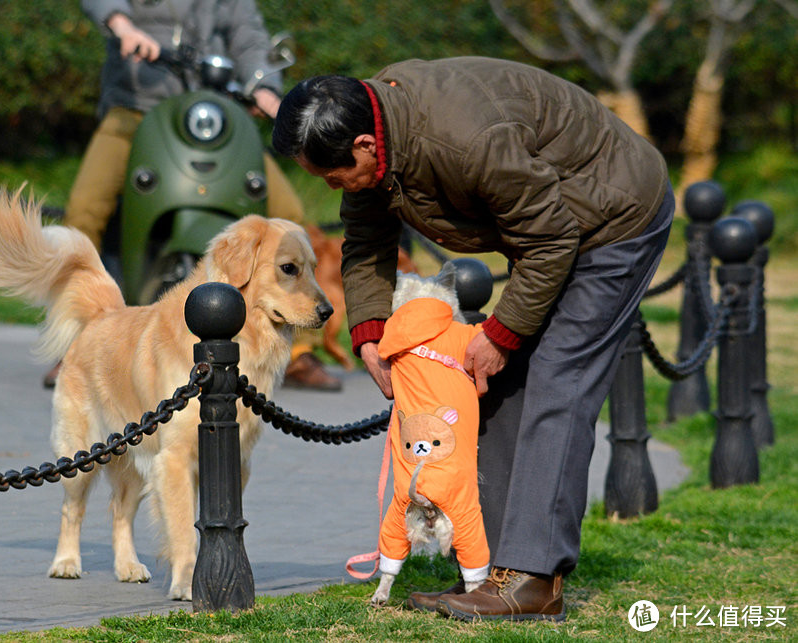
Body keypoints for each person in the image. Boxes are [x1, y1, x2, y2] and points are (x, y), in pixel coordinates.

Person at [273, 57, 673, 621]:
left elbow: (552, 237)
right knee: (498, 382)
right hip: (552, 229)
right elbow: (365, 238)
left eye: (332, 175)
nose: (332, 187)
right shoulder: (376, 125)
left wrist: (502, 332)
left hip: (616, 216)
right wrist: (369, 334)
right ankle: (490, 568)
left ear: (365, 144)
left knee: (558, 382)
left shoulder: (465, 137)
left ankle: (535, 580)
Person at [45, 0, 339, 390]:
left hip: (214, 110)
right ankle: (73, 346)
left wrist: (266, 91)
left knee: (290, 215)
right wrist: (123, 27)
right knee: (83, 215)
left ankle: (299, 347)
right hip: (136, 109)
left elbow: (248, 35)